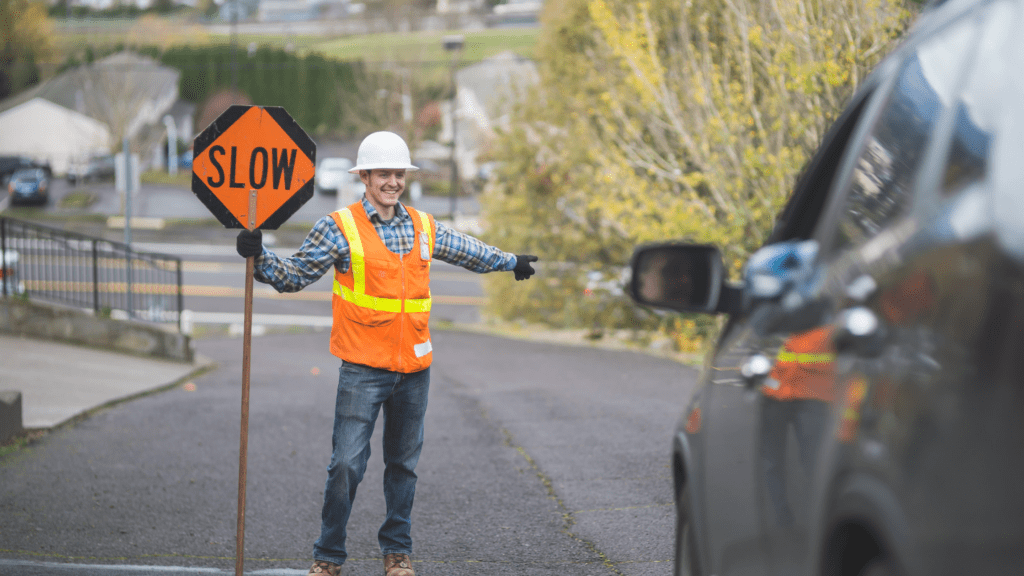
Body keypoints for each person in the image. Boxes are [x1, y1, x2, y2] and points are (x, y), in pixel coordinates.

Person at [235, 131, 539, 576]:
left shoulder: (421, 225)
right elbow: (294, 276)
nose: (392, 182)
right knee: (345, 466)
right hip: (363, 369)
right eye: (384, 174)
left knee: (403, 468)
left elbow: (467, 250)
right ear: (365, 177)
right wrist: (259, 255)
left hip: (414, 370)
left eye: (398, 174)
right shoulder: (338, 228)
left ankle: (397, 552)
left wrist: (509, 261)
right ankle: (328, 555)